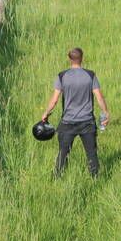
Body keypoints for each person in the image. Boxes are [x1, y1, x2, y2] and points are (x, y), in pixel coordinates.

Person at [40, 47, 111, 178]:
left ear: (69, 59)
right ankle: (95, 179)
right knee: (91, 153)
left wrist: (46, 113)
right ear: (82, 58)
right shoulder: (90, 75)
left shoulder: (62, 76)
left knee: (63, 153)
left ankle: (57, 179)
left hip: (68, 122)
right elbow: (99, 96)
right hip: (87, 122)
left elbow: (54, 100)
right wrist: (105, 112)